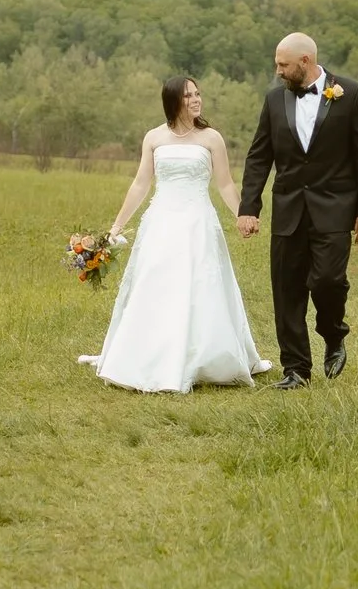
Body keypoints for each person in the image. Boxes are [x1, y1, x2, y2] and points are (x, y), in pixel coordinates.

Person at [83, 76, 272, 393]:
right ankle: (150, 354)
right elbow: (141, 183)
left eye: (198, 94)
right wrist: (116, 227)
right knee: (156, 284)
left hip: (198, 222)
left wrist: (243, 214)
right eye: (189, 96)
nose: (197, 100)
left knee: (201, 286)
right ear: (173, 101)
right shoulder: (154, 137)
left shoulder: (211, 138)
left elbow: (224, 183)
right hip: (161, 222)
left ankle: (206, 356)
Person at [238, 31, 358, 389]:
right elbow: (259, 158)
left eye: (283, 65)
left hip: (334, 209)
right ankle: (296, 370)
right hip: (288, 210)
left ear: (306, 62)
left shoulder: (351, 94)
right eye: (276, 64)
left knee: (328, 280)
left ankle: (334, 334)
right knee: (287, 291)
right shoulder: (273, 101)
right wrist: (248, 207)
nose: (278, 71)